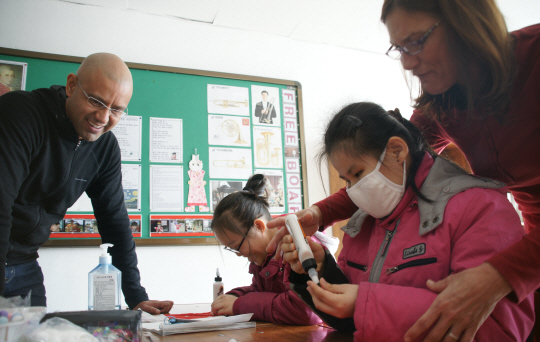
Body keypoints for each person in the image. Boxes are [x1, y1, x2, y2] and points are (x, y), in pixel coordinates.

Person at [269, 1, 540, 342]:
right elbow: (400, 163)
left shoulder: (533, 61)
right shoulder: (441, 100)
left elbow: (494, 335)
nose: (408, 63)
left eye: (417, 41)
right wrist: (320, 218)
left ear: (467, 21)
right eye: (399, 48)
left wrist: (500, 274)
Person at [279, 102, 534, 342]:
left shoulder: (478, 207)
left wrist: (364, 304)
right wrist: (321, 269)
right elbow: (355, 324)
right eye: (347, 180)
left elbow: (495, 333)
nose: (353, 190)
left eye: (358, 173)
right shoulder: (366, 221)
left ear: (397, 151)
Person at [0, 52, 173, 314]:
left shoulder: (104, 147)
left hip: (24, 263)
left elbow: (114, 221)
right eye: (96, 101)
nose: (103, 118)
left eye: (116, 110)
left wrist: (135, 295)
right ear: (71, 86)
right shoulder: (21, 113)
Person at [210, 174, 338, 325]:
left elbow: (305, 311)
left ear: (258, 227)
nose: (239, 254)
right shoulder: (264, 257)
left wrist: (240, 305)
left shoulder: (296, 245)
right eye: (232, 249)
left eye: (237, 246)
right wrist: (234, 297)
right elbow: (260, 291)